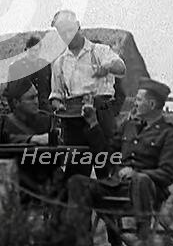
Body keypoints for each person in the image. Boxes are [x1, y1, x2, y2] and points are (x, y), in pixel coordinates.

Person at [66, 78, 173, 246]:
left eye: (139, 100)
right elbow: (106, 157)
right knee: (77, 182)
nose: (134, 103)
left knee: (141, 180)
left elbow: (167, 174)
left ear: (151, 104)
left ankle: (142, 238)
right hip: (116, 187)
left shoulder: (170, 134)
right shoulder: (128, 127)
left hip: (147, 191)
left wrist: (137, 174)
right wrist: (93, 123)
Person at [49, 10, 127, 175]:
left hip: (101, 114)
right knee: (76, 172)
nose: (67, 36)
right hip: (73, 119)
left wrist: (106, 67)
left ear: (78, 27)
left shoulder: (98, 51)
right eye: (62, 33)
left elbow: (121, 68)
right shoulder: (60, 62)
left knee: (107, 167)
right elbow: (55, 95)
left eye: (70, 31)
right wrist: (59, 105)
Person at [5, 35, 52, 111]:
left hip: (44, 110)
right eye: (31, 50)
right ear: (26, 50)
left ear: (40, 50)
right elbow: (10, 94)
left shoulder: (45, 66)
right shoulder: (16, 67)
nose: (33, 53)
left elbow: (50, 89)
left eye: (36, 50)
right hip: (25, 111)